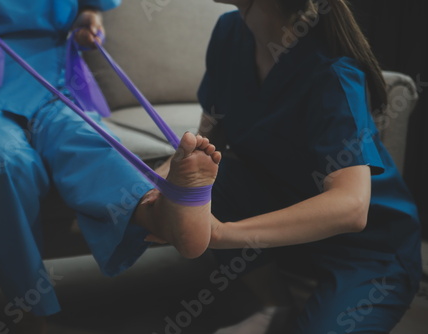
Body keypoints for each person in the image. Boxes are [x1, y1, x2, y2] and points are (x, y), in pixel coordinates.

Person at [0, 1, 221, 332]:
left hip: (49, 82)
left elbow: (90, 5)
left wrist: (89, 18)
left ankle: (157, 212)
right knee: (2, 164)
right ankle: (33, 310)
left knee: (88, 143)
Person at [155, 0, 422, 332]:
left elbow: (352, 208)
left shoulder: (333, 72)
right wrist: (155, 185)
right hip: (286, 219)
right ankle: (274, 305)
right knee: (210, 179)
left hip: (370, 252)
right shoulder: (229, 31)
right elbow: (204, 144)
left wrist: (223, 234)